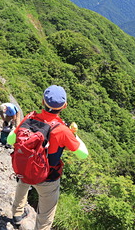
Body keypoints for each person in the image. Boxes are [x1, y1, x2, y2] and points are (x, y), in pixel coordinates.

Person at [10, 85, 89, 229]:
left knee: (23, 183)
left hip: (25, 168)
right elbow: (83, 154)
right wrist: (74, 135)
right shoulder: (62, 131)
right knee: (45, 215)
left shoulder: (29, 118)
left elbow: (10, 140)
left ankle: (17, 214)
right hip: (48, 177)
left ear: (42, 102)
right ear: (64, 106)